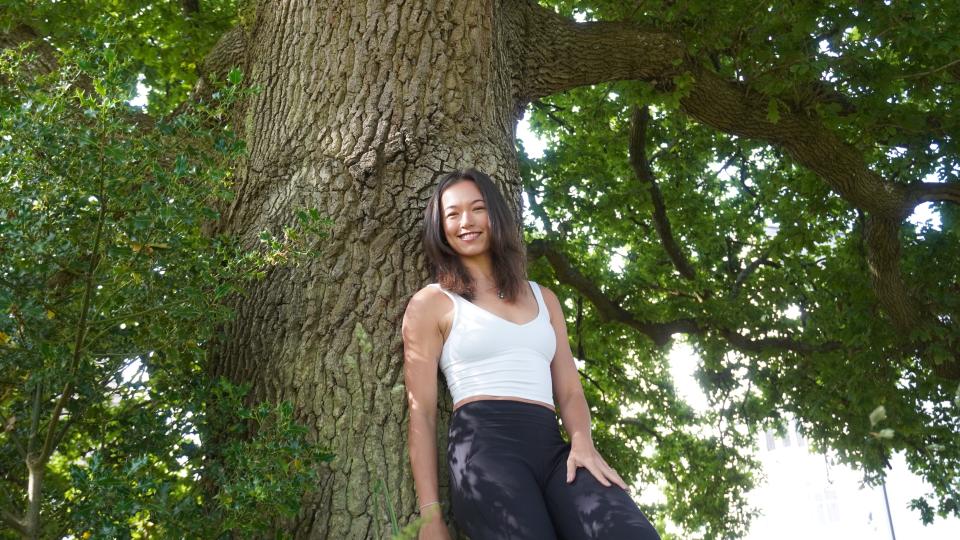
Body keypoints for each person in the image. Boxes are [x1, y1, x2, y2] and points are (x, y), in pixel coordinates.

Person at [402, 169, 661, 540]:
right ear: (440, 227)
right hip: (484, 452)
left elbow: (570, 391)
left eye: (477, 209)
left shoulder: (544, 298)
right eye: (453, 214)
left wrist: (583, 442)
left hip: (554, 449)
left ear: (496, 216)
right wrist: (430, 516)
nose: (466, 222)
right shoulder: (432, 302)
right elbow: (422, 413)